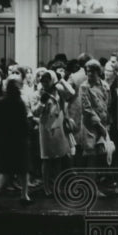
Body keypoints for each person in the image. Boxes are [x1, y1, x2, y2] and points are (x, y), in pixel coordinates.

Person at [0, 76, 31, 208]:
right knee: (23, 168)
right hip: (18, 140)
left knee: (3, 168)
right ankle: (24, 195)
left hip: (3, 139)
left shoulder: (1, 101)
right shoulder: (19, 102)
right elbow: (24, 123)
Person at [33, 68, 75, 197]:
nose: (45, 84)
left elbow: (71, 93)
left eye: (47, 81)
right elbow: (35, 112)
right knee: (46, 159)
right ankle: (46, 186)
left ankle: (57, 185)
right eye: (43, 81)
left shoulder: (58, 91)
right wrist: (41, 102)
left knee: (58, 157)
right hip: (46, 128)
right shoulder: (38, 93)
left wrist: (61, 80)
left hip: (59, 127)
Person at [78, 60, 113, 195]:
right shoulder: (84, 87)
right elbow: (87, 108)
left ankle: (94, 185)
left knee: (100, 156)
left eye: (92, 71)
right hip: (90, 126)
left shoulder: (105, 86)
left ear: (98, 72)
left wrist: (106, 124)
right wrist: (99, 125)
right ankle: (92, 188)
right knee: (91, 158)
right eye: (88, 71)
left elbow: (107, 104)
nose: (89, 74)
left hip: (103, 125)